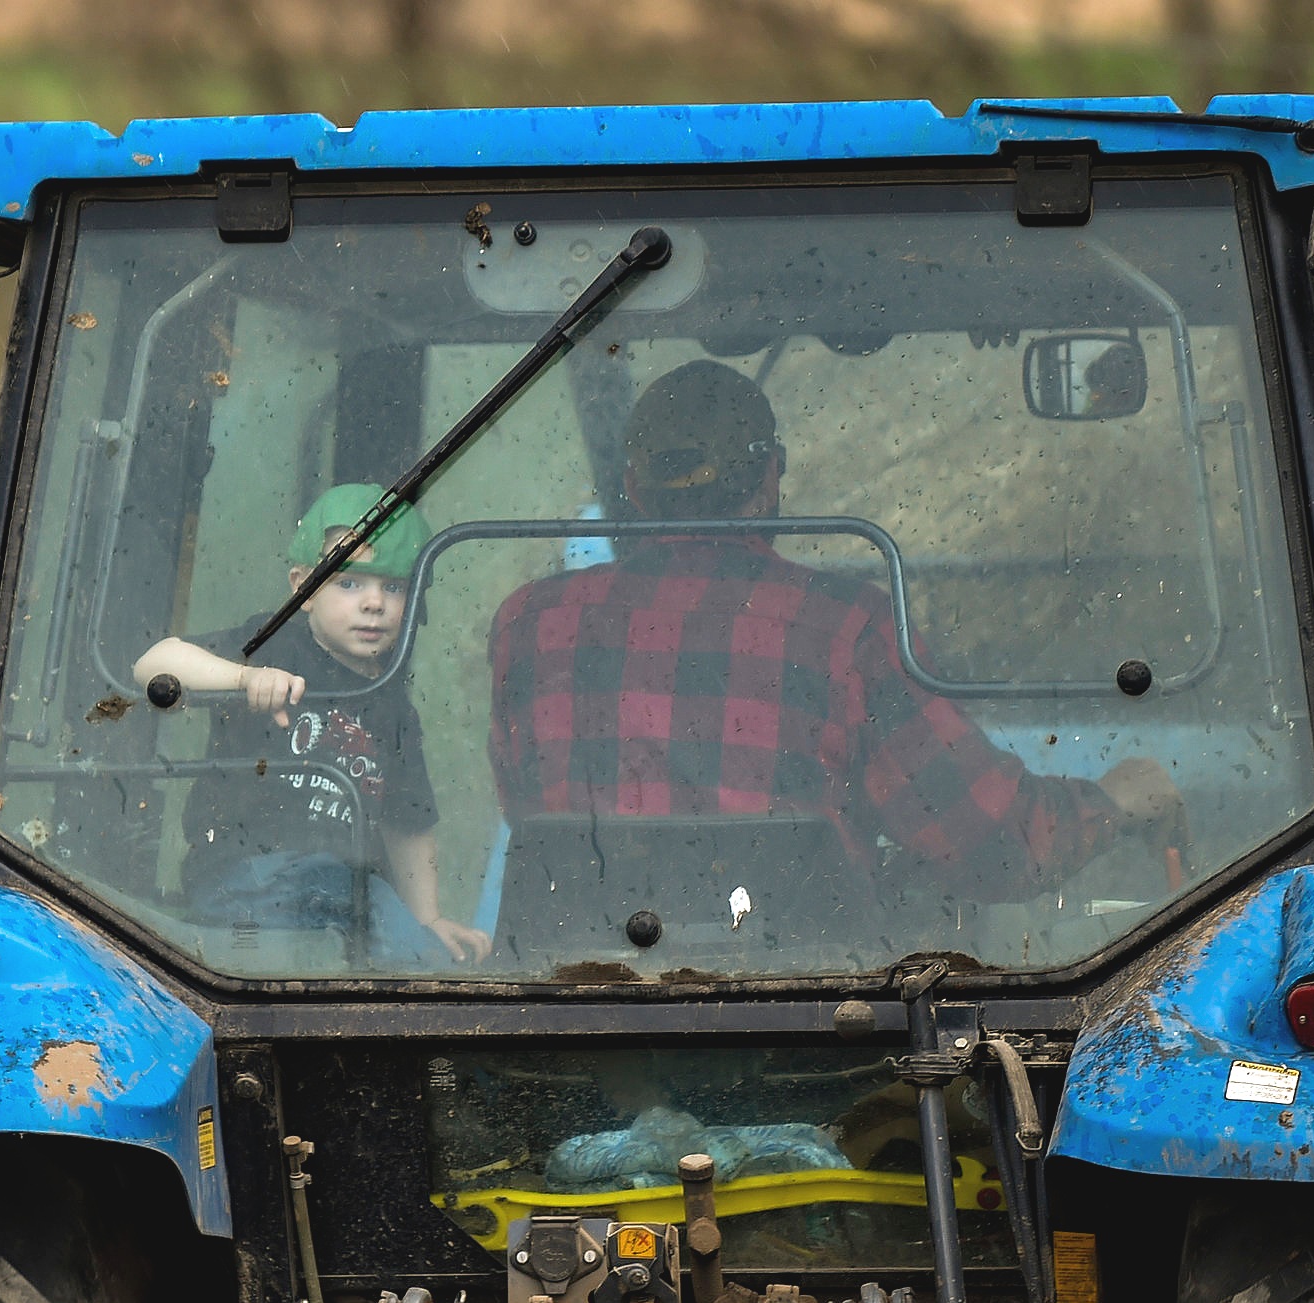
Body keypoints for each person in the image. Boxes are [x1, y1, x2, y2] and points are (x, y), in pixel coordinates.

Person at [486, 359, 1183, 901]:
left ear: (635, 488)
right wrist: (1115, 799)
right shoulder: (847, 627)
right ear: (769, 478)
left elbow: (533, 814)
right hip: (804, 1018)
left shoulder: (527, 624)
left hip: (579, 1008)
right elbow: (990, 843)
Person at [134, 484, 493, 966]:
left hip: (346, 895)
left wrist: (426, 921)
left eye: (393, 586)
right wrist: (243, 678)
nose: (374, 603)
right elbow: (153, 663)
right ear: (302, 588)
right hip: (243, 877)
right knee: (328, 907)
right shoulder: (271, 646)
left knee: (419, 954)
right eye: (348, 583)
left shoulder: (393, 706)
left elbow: (407, 823)